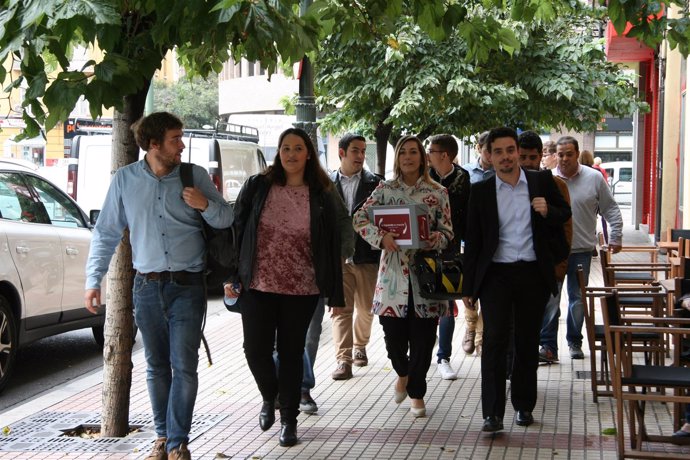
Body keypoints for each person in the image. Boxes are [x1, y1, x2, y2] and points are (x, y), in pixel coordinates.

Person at [84, 112, 233, 460]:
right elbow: (106, 232)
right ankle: (162, 438)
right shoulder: (125, 180)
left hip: (188, 286)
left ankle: (178, 442)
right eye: (174, 139)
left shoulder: (193, 175)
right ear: (153, 145)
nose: (182, 145)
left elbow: (226, 217)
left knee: (184, 365)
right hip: (146, 288)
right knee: (156, 365)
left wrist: (205, 205)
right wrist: (94, 280)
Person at [225, 127, 345, 447]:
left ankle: (289, 421)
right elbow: (236, 229)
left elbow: (334, 242)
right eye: (285, 148)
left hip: (303, 286)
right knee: (255, 350)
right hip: (259, 283)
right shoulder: (259, 186)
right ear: (278, 153)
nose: (290, 154)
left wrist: (334, 289)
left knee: (292, 353)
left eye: (297, 148)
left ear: (308, 154)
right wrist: (231, 274)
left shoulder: (321, 192)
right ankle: (270, 396)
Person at [462, 127, 571, 433]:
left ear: (517, 153)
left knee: (526, 341)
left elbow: (564, 213)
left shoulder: (540, 181)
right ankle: (492, 414)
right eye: (498, 152)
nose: (506, 157)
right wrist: (469, 287)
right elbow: (474, 240)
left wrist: (547, 209)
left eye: (510, 150)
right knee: (494, 342)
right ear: (489, 155)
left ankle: (523, 405)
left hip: (532, 272)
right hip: (496, 274)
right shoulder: (481, 190)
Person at [353, 135, 453, 418]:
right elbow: (359, 219)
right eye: (403, 153)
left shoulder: (438, 192)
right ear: (397, 158)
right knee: (393, 338)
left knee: (423, 341)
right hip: (392, 278)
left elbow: (448, 234)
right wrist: (381, 237)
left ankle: (417, 392)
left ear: (422, 157)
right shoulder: (384, 190)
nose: (408, 157)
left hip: (426, 280)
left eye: (414, 152)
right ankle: (402, 373)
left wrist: (434, 238)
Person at [554, 136, 623, 359]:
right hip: (554, 252)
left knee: (577, 300)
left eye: (569, 154)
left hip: (581, 250)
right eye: (560, 154)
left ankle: (574, 341)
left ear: (577, 154)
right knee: (550, 300)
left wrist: (616, 236)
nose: (564, 158)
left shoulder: (593, 178)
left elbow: (610, 209)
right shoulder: (549, 179)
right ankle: (547, 346)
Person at [328, 133, 383, 381]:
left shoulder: (376, 183)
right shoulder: (326, 184)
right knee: (340, 310)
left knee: (366, 309)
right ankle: (344, 359)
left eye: (363, 151)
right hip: (338, 258)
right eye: (355, 151)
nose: (361, 156)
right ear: (342, 153)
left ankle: (361, 345)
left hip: (366, 256)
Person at [517, 131, 573, 364]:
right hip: (517, 264)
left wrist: (561, 264)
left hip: (549, 263)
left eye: (533, 157)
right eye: (524, 157)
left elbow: (567, 225)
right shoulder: (508, 185)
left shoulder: (555, 184)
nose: (528, 162)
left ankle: (546, 348)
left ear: (541, 156)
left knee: (547, 312)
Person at [426, 134, 470, 379]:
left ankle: (443, 356)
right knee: (424, 303)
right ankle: (422, 348)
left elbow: (466, 217)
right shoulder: (423, 175)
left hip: (451, 249)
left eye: (430, 150)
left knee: (446, 303)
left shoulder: (463, 178)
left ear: (444, 154)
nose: (427, 155)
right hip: (421, 249)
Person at [460, 131, 494, 356]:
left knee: (488, 288)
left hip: (492, 240)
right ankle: (470, 327)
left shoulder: (501, 174)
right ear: (479, 149)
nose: (491, 155)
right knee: (468, 286)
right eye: (487, 150)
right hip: (469, 238)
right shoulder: (467, 173)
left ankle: (481, 335)